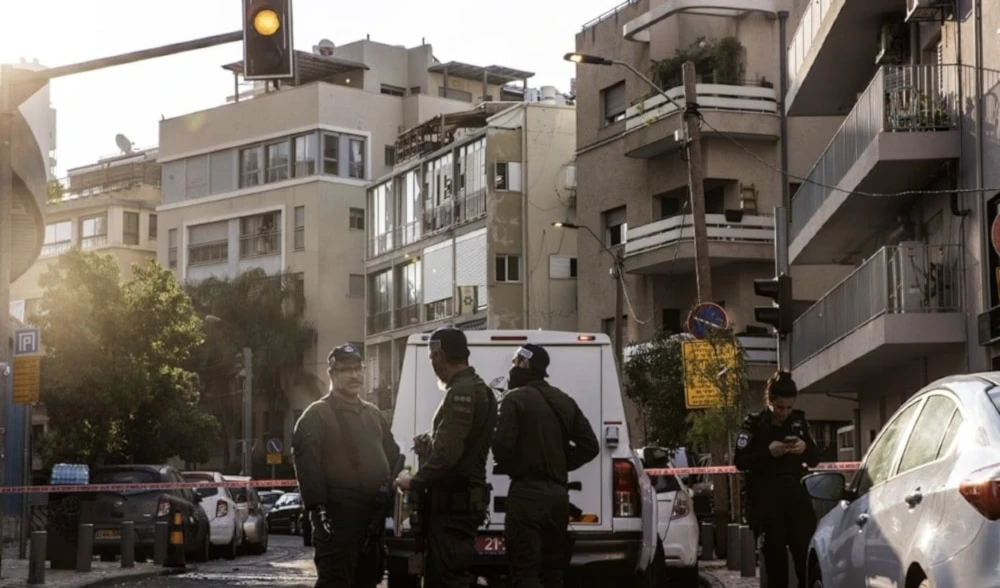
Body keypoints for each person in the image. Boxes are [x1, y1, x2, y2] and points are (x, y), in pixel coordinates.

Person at [395, 327, 497, 588]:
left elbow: (449, 454)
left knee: (447, 579)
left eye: (431, 359)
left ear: (439, 356)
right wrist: (428, 445)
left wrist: (414, 481)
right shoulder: (480, 389)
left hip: (453, 506)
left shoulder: (461, 391)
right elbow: (463, 445)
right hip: (459, 502)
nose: (432, 365)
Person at [292, 343, 401, 588]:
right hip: (337, 516)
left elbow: (393, 456)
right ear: (331, 374)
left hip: (372, 517)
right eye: (346, 370)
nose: (354, 375)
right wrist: (318, 512)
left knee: (368, 579)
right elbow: (308, 466)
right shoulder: (316, 415)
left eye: (358, 369)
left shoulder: (372, 414)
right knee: (336, 580)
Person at [492, 344, 600, 588]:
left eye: (515, 361)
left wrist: (522, 465)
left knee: (525, 571)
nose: (512, 367)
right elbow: (590, 445)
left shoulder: (514, 399)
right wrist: (559, 463)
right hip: (558, 499)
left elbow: (501, 448)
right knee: (553, 573)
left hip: (527, 496)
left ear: (526, 365)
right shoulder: (564, 400)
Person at [733, 371, 820, 588]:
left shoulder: (799, 421)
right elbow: (740, 460)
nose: (785, 412)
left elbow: (816, 458)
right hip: (767, 502)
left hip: (796, 500)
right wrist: (767, 452)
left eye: (789, 407)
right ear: (770, 401)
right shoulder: (754, 424)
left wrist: (804, 448)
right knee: (775, 564)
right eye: (780, 407)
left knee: (805, 559)